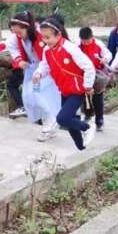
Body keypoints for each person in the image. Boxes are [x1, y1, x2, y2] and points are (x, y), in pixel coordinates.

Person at [34, 17, 96, 150]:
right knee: (69, 121)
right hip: (64, 89)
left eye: (48, 37)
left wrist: (88, 86)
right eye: (43, 37)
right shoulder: (47, 50)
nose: (45, 41)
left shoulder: (70, 48)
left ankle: (88, 127)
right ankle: (81, 147)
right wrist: (39, 73)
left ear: (58, 34)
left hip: (78, 90)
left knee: (62, 119)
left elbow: (89, 66)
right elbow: (45, 65)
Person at [8, 11, 62, 141]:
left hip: (44, 69)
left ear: (26, 27)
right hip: (31, 69)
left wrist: (43, 71)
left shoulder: (40, 35)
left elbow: (51, 51)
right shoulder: (18, 37)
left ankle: (49, 126)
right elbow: (11, 46)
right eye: (15, 33)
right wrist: (19, 60)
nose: (17, 35)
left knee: (40, 96)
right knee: (28, 96)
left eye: (19, 32)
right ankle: (48, 125)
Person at [79, 27, 112, 132]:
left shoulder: (98, 44)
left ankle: (99, 120)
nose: (86, 43)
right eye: (83, 41)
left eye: (88, 41)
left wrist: (104, 59)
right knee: (85, 97)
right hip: (83, 74)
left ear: (92, 37)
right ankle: (88, 115)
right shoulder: (77, 46)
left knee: (98, 98)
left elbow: (108, 54)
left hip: (98, 75)